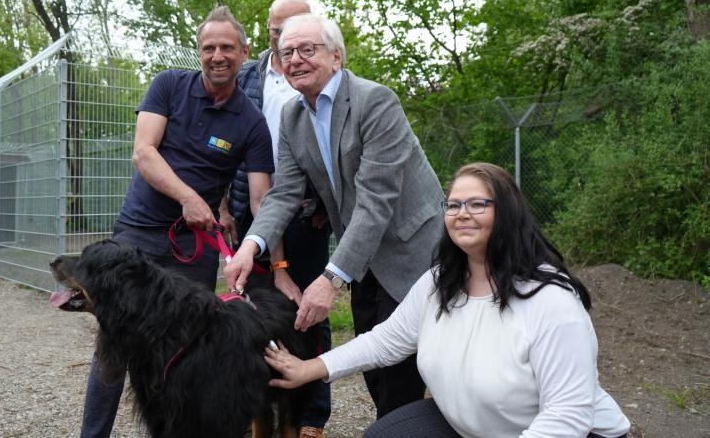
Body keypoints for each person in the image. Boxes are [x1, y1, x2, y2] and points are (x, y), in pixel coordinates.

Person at [264, 162, 632, 438]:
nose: (462, 214)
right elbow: (385, 340)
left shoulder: (550, 300)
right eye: (453, 206)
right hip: (474, 426)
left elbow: (566, 415)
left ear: (507, 212)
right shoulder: (439, 283)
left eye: (477, 204)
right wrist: (310, 368)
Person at [224, 13, 446, 419]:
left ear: (337, 57)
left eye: (307, 49)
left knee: (399, 377)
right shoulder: (293, 116)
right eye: (286, 52)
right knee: (375, 370)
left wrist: (330, 279)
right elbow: (284, 193)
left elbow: (376, 200)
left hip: (410, 249)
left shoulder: (375, 101)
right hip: (361, 256)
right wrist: (249, 248)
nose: (295, 60)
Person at [79, 6, 275, 438]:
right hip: (136, 238)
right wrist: (190, 197)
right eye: (209, 47)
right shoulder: (169, 85)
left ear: (244, 54)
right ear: (199, 52)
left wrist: (273, 262)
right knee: (115, 348)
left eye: (227, 47)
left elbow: (263, 201)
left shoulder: (253, 124)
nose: (217, 55)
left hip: (194, 252)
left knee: (183, 352)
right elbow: (144, 153)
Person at [220, 0, 333, 438]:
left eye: (293, 34)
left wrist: (325, 206)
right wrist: (224, 206)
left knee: (307, 313)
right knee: (253, 312)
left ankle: (310, 417)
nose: (284, 44)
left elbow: (334, 153)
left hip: (305, 215)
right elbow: (226, 143)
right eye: (275, 33)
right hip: (253, 210)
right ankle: (257, 414)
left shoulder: (323, 70)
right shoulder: (247, 76)